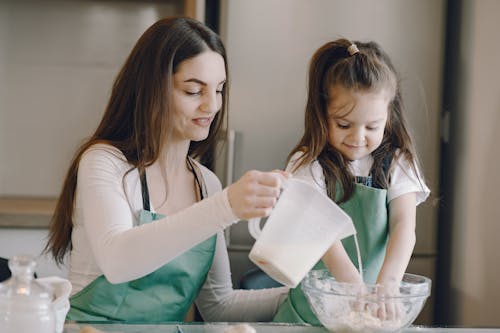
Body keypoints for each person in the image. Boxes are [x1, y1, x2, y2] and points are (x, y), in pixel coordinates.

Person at [44, 16, 289, 323]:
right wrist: (225, 207)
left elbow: (219, 305)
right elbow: (119, 261)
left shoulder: (205, 183)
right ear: (152, 90)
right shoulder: (105, 162)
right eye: (193, 91)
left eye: (219, 90)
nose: (212, 106)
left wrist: (303, 295)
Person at [272, 38, 430, 325]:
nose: (358, 138)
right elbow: (322, 235)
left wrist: (388, 285)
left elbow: (403, 225)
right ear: (322, 113)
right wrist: (353, 288)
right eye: (344, 124)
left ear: (388, 116)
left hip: (372, 312)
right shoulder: (307, 163)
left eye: (372, 126)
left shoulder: (397, 162)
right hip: (309, 315)